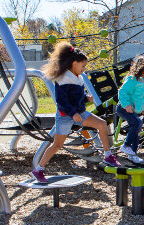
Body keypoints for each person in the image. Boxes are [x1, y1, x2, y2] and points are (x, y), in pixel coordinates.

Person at [31, 43, 120, 183]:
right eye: (83, 65)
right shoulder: (63, 79)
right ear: (74, 63)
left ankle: (108, 155)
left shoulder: (77, 77)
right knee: (57, 145)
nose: (84, 69)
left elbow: (76, 97)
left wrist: (86, 98)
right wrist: (72, 114)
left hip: (79, 113)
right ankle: (38, 169)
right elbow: (61, 101)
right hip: (65, 116)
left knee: (102, 124)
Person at [117, 55, 144, 163]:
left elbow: (139, 98)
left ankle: (133, 154)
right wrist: (126, 104)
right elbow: (122, 92)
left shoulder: (143, 82)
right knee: (137, 123)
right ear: (141, 69)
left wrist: (142, 110)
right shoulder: (133, 79)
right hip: (123, 107)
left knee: (137, 131)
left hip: (133, 110)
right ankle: (126, 145)